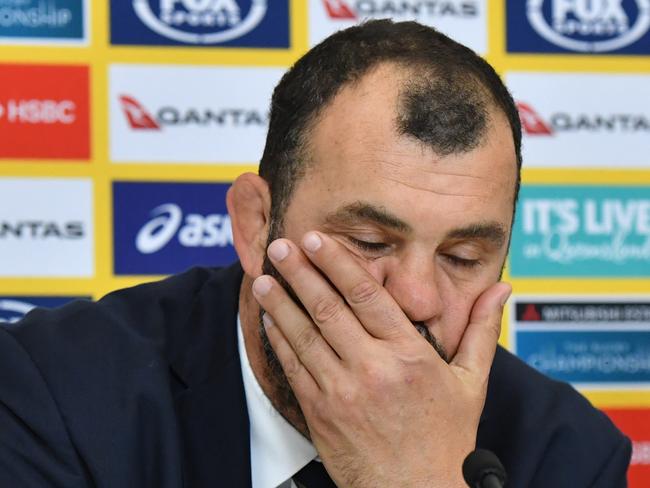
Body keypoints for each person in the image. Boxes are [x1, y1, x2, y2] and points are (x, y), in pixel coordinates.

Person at [0, 20, 630, 488]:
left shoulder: (566, 453)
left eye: (463, 256)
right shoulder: (52, 392)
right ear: (255, 225)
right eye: (370, 243)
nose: (416, 299)